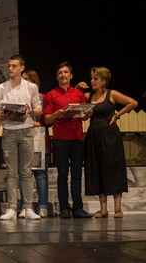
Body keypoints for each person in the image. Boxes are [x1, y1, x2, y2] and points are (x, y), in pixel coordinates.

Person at [80, 67, 138, 218]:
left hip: (110, 135)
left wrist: (117, 114)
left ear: (104, 81)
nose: (92, 81)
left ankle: (117, 209)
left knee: (112, 167)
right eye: (91, 78)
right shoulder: (87, 96)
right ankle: (103, 209)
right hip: (93, 134)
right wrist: (77, 87)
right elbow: (81, 114)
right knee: (96, 168)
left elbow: (132, 103)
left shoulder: (111, 94)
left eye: (96, 79)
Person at [0, 54, 42, 220]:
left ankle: (28, 207)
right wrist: (4, 115)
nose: (10, 69)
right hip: (8, 132)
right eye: (9, 66)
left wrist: (29, 111)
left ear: (22, 68)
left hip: (26, 130)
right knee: (11, 172)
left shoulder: (31, 87)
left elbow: (38, 109)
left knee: (26, 171)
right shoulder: (1, 88)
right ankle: (12, 208)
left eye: (14, 66)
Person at [44, 62, 93, 219]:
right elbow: (46, 119)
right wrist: (57, 114)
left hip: (78, 137)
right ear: (57, 76)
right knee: (62, 174)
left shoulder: (78, 93)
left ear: (71, 76)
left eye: (65, 72)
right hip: (60, 138)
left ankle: (78, 207)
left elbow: (84, 114)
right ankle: (65, 207)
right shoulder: (51, 94)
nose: (63, 75)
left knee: (77, 174)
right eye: (60, 73)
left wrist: (87, 114)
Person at [19, 69, 49, 218]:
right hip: (23, 138)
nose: (26, 82)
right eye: (23, 79)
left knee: (40, 173)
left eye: (28, 79)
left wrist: (38, 123)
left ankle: (43, 205)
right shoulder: (18, 97)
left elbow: (46, 116)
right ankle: (25, 205)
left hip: (38, 140)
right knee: (24, 172)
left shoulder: (41, 97)